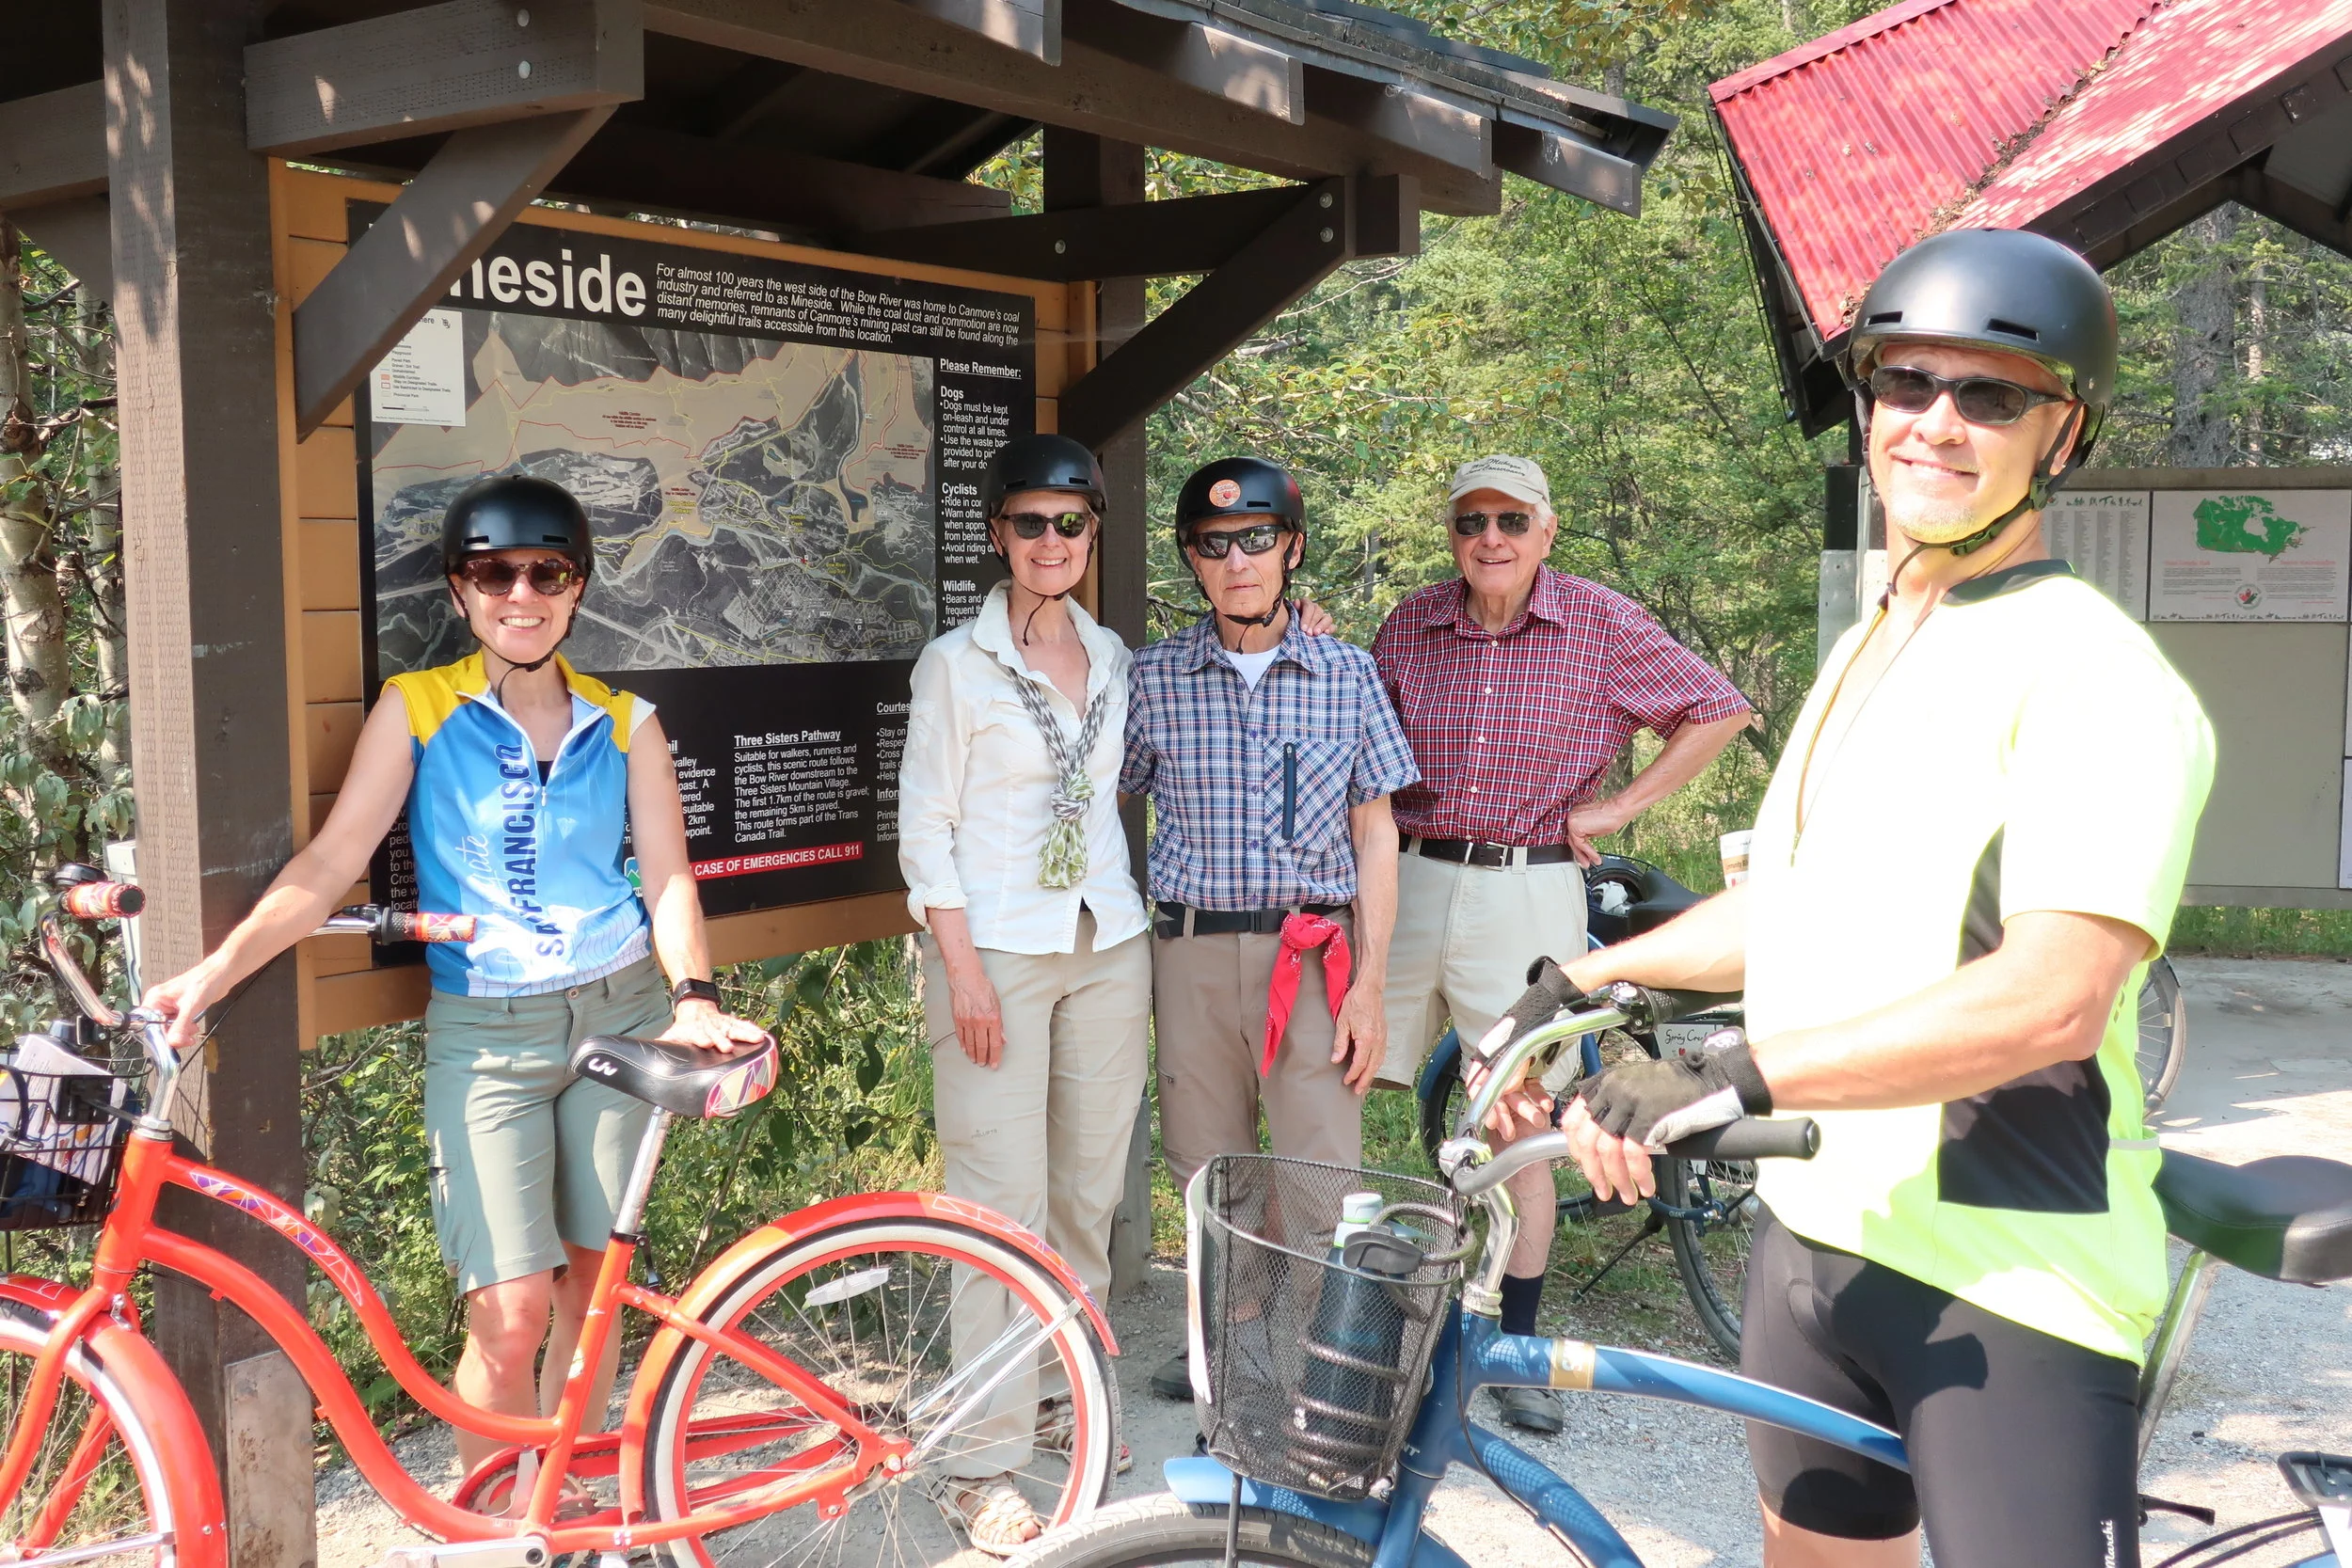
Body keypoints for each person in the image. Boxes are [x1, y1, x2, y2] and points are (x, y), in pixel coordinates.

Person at [1508, 229, 2214, 1568]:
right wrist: (1584, 984)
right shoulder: (1873, 642)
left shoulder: (2094, 675)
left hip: (2010, 1268)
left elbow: (2050, 998)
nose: (1937, 421)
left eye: (1992, 393)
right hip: (1818, 1237)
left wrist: (1731, 1069)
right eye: (1907, 383)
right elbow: (1794, 901)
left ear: (2062, 435)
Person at [143, 474, 770, 1503]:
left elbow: (665, 871)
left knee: (588, 1286)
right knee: (508, 1307)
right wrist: (214, 974)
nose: (520, 594)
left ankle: (560, 1503)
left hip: (619, 1008)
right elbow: (333, 858)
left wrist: (692, 992)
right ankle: (493, 1518)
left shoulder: (626, 720)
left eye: (547, 571)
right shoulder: (420, 708)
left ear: (577, 588)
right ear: (458, 589)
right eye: (493, 573)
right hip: (488, 1034)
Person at [1370, 452, 1751, 1433]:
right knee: (1346, 1080)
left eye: (1509, 519)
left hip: (1528, 881)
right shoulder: (1411, 621)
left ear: (1544, 529)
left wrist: (1624, 801)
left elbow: (1718, 707)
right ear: (1451, 534)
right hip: (1407, 875)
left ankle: (1516, 1352)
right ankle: (1354, 1320)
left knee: (1518, 1117)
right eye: (1470, 521)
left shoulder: (1600, 619)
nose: (1488, 538)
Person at [898, 434, 1152, 1554]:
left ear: (1093, 536)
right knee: (995, 1207)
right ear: (999, 535)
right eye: (1030, 522)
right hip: (991, 951)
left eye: (1072, 523)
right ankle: (980, 1458)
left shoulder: (1113, 653)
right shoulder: (956, 664)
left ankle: (1064, 1391)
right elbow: (925, 824)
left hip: (1107, 940)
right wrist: (960, 970)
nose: (1052, 541)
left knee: (1087, 1188)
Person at [1121, 456, 1420, 1402]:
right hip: (1194, 948)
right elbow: (1102, 797)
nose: (1238, 560)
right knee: (1211, 1167)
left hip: (1314, 951)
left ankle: (1331, 1368)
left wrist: (1370, 982)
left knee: (1320, 1165)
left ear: (1290, 549)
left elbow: (1377, 832)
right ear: (1192, 561)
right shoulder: (1156, 676)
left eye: (1257, 539)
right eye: (1215, 545)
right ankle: (1234, 1358)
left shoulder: (1345, 672)